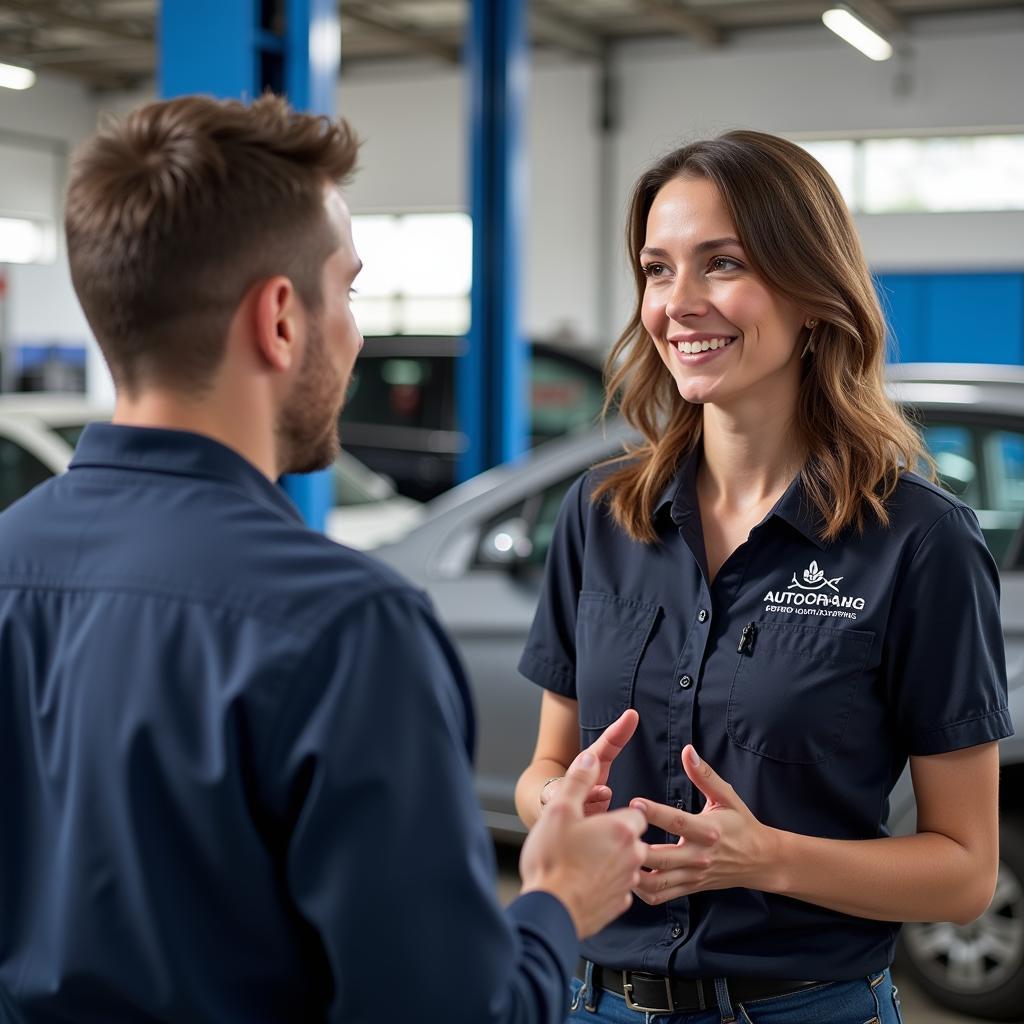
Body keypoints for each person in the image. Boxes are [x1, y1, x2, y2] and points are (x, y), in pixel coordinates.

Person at [0, 95, 649, 1024]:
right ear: (278, 319)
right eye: (346, 290)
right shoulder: (346, 628)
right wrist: (555, 903)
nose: (352, 333)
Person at [515, 130, 1013, 1024]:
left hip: (804, 1006)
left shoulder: (919, 543)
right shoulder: (599, 516)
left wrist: (765, 858)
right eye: (658, 270)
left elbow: (965, 872)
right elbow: (546, 768)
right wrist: (558, 802)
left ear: (813, 294)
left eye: (723, 264)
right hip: (593, 1003)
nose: (680, 303)